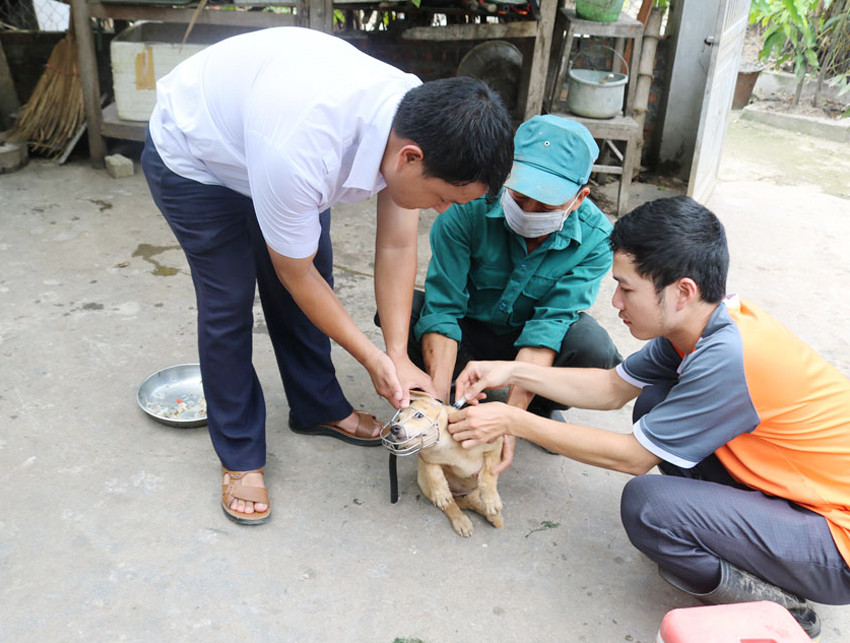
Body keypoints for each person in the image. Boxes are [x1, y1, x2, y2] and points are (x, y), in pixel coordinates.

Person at [140, 26, 514, 525]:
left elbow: (398, 243)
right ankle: (240, 454)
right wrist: (372, 358)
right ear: (410, 158)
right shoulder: (300, 149)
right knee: (229, 301)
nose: (442, 210)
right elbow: (291, 272)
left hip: (270, 139)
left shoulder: (416, 119)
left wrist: (398, 354)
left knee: (314, 273)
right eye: (444, 198)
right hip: (198, 155)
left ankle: (317, 406)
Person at [446, 196, 850, 638]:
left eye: (627, 287)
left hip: (835, 540)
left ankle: (780, 605)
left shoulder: (728, 356)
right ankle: (724, 528)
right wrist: (513, 370)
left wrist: (513, 420)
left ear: (682, 291)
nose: (615, 300)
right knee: (653, 400)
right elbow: (612, 388)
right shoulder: (698, 325)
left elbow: (632, 458)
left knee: (649, 507)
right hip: (804, 494)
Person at [390, 115, 620, 473]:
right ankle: (453, 393)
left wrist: (510, 423)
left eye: (545, 207)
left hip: (526, 342)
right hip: (469, 332)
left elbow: (549, 324)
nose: (528, 212)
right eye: (520, 195)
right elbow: (444, 308)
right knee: (408, 313)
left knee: (593, 348)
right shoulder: (465, 206)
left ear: (579, 199)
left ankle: (537, 409)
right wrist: (436, 405)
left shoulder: (596, 239)